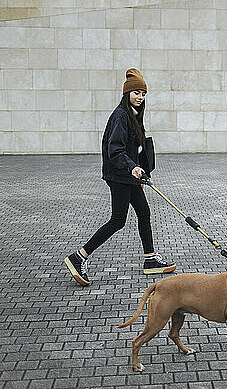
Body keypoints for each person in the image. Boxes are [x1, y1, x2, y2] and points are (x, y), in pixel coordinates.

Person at [65, 68, 176, 286]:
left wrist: (139, 170)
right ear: (127, 94)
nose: (140, 97)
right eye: (136, 93)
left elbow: (134, 148)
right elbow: (114, 149)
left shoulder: (134, 116)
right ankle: (79, 257)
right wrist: (131, 168)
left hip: (129, 174)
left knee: (144, 211)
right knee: (118, 220)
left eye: (143, 93)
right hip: (119, 175)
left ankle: (151, 260)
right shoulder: (120, 116)